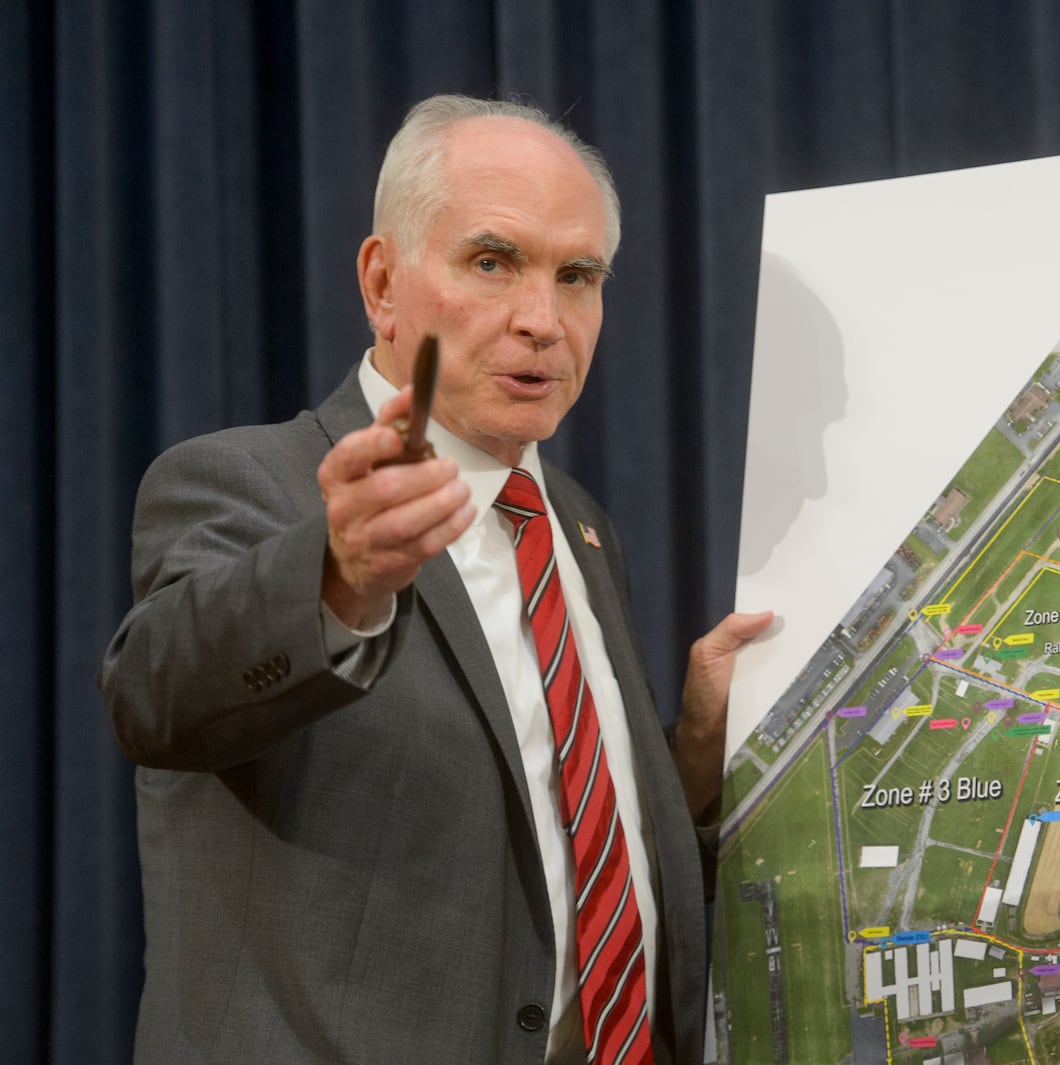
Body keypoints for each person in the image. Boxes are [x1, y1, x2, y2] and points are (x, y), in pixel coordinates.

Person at [98, 94, 770, 1064]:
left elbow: (547, 821)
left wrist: (696, 756)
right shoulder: (247, 481)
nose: (543, 320)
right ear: (382, 282)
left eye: (577, 276)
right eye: (492, 262)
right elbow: (154, 698)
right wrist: (334, 579)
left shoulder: (574, 524)